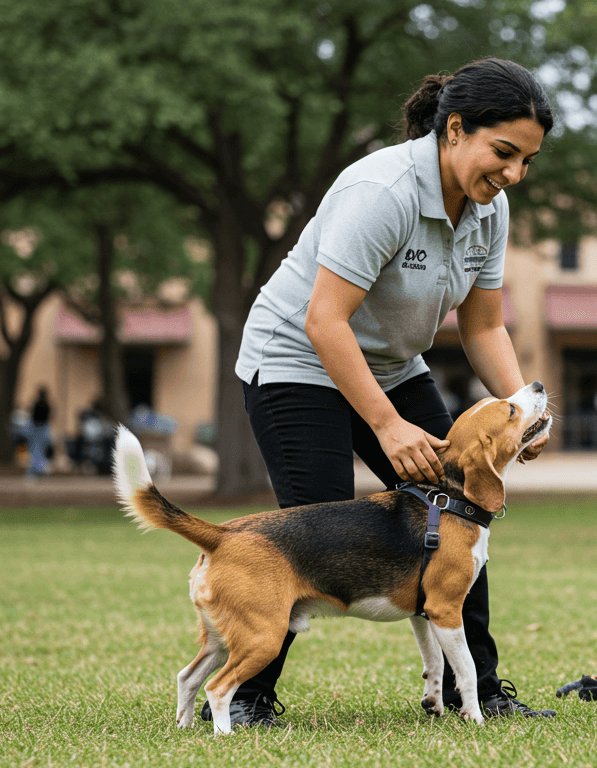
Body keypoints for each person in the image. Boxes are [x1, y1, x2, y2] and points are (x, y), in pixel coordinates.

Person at [223, 57, 555, 728]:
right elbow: (324, 321)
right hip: (296, 361)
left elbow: (485, 324)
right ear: (455, 128)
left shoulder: (489, 208)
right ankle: (244, 698)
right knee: (309, 529)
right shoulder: (382, 190)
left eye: (526, 160)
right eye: (503, 153)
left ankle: (479, 692)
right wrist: (386, 425)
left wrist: (525, 406)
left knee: (462, 511)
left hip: (392, 365)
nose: (514, 173)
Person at [27, 387, 52, 478]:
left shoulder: (38, 404)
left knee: (37, 449)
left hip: (38, 428)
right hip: (41, 428)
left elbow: (32, 415)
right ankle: (38, 468)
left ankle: (38, 469)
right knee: (39, 450)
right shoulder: (44, 404)